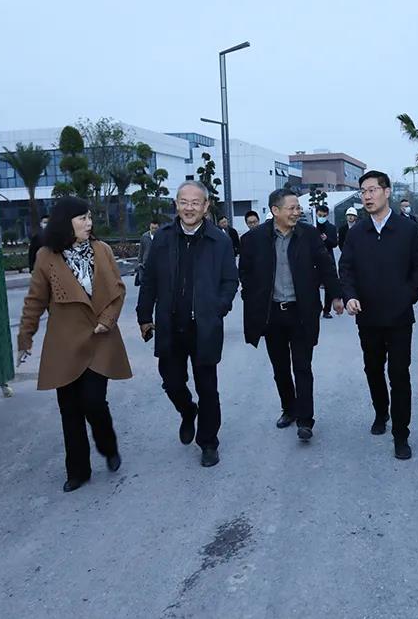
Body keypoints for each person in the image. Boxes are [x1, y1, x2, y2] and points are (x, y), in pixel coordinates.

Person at [17, 197, 131, 492]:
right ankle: (78, 470)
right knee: (69, 409)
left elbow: (118, 290)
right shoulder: (46, 256)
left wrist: (108, 319)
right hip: (64, 343)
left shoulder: (102, 250)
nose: (88, 223)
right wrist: (25, 337)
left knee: (93, 401)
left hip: (99, 337)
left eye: (90, 217)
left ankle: (108, 445)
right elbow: (35, 300)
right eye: (82, 218)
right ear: (65, 223)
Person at [136, 181, 238, 467]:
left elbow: (230, 280)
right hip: (170, 325)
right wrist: (144, 316)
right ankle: (187, 411)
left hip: (204, 326)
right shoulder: (162, 238)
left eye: (195, 202)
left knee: (207, 387)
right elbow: (149, 280)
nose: (189, 208)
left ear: (206, 206)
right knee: (171, 382)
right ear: (176, 205)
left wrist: (219, 308)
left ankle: (208, 442)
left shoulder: (219, 240)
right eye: (184, 202)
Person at [339, 171, 418, 460]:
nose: (367, 196)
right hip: (367, 317)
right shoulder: (357, 233)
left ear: (387, 192)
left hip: (400, 317)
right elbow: (346, 269)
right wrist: (350, 295)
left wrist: (408, 295)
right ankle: (381, 412)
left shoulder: (407, 229)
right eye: (363, 191)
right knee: (373, 369)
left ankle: (401, 435)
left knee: (399, 374)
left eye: (372, 190)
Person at [239, 190, 343, 441]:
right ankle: (289, 409)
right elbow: (245, 273)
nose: (298, 212)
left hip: (301, 312)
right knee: (280, 368)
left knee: (303, 367)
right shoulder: (253, 239)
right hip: (272, 313)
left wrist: (336, 295)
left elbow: (326, 266)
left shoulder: (309, 235)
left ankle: (305, 420)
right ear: (275, 211)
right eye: (292, 208)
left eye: (298, 208)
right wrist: (252, 300)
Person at [314, 205, 339, 319]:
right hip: (314, 260)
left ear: (327, 215)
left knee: (329, 286)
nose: (321, 218)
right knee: (313, 285)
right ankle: (316, 308)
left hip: (328, 259)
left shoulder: (331, 228)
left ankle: (327, 310)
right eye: (319, 215)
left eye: (324, 216)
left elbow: (334, 243)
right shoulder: (312, 227)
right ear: (316, 214)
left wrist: (326, 239)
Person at [136, 218, 160, 286]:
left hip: (158, 263)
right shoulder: (144, 236)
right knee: (146, 283)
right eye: (152, 228)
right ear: (150, 227)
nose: (154, 230)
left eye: (156, 228)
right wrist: (139, 262)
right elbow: (141, 250)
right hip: (146, 263)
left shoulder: (162, 236)